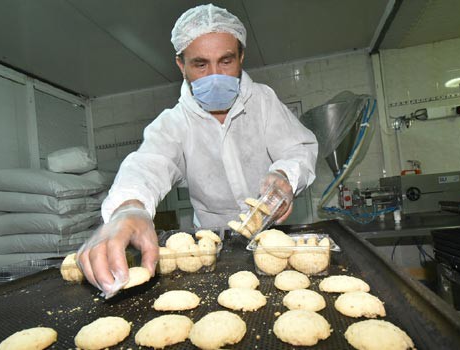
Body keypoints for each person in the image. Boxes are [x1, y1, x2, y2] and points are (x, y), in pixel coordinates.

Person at [77, 3, 318, 298]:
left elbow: (299, 149)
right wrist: (129, 207)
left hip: (274, 243)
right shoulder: (174, 124)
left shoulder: (263, 103)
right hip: (209, 252)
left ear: (242, 57)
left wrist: (284, 175)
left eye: (226, 61)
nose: (215, 75)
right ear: (181, 65)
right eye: (200, 64)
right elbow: (148, 164)